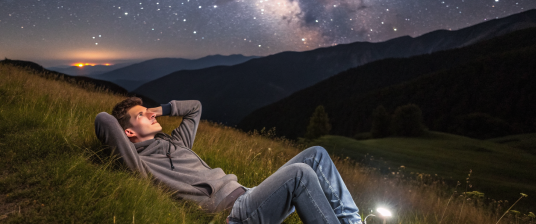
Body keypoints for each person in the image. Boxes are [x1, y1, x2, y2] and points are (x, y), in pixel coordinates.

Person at [94, 97, 362, 224]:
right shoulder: (138, 163)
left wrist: (159, 109)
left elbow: (195, 107)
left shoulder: (175, 142)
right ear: (127, 132)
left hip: (249, 194)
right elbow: (104, 120)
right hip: (233, 213)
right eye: (142, 115)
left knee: (316, 154)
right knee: (300, 173)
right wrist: (129, 121)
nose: (152, 116)